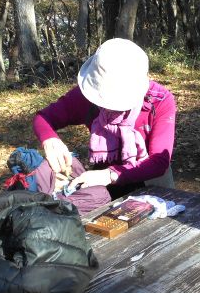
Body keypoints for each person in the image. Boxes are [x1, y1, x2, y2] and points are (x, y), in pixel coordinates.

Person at [33, 38, 176, 198]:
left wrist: (110, 174)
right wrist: (51, 140)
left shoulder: (160, 101)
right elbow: (43, 118)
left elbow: (159, 161)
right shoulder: (84, 97)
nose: (109, 107)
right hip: (103, 177)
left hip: (150, 177)